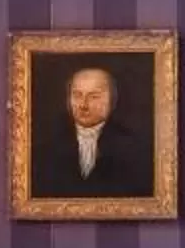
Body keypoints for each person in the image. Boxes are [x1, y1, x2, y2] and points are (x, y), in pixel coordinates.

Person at [29, 63, 152, 199]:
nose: (83, 105)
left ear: (112, 99)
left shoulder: (135, 148)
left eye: (94, 96)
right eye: (77, 95)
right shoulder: (46, 149)